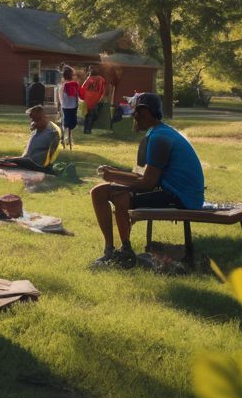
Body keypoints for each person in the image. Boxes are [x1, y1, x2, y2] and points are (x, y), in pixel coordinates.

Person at [88, 92, 205, 269]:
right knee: (105, 191)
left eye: (141, 112)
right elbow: (143, 177)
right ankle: (120, 250)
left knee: (109, 194)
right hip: (175, 191)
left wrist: (114, 178)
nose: (135, 116)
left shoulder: (159, 138)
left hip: (181, 196)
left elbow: (147, 183)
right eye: (135, 111)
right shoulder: (157, 132)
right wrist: (115, 174)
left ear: (153, 114)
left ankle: (116, 253)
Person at [0, 105, 62, 173]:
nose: (32, 122)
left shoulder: (52, 132)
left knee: (4, 162)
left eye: (34, 120)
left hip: (37, 163)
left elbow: (51, 154)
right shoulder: (37, 130)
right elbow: (28, 154)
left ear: (41, 118)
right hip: (29, 160)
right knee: (3, 160)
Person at [55, 66, 81, 150]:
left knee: (64, 124)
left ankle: (63, 141)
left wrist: (58, 107)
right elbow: (77, 96)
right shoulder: (75, 84)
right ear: (71, 75)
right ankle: (69, 141)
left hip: (65, 107)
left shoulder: (62, 85)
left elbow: (59, 98)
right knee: (71, 125)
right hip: (73, 106)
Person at [80, 64, 106, 135]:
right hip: (90, 101)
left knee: (91, 115)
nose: (90, 70)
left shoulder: (100, 79)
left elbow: (103, 90)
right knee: (90, 115)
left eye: (91, 69)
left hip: (94, 100)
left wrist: (101, 98)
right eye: (90, 69)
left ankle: (87, 129)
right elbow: (82, 89)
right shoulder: (89, 79)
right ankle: (87, 129)